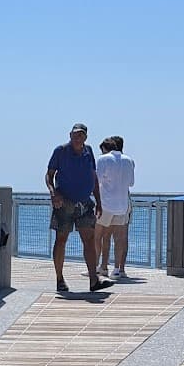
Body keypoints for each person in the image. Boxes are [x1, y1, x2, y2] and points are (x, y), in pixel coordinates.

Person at [46, 122, 108, 294]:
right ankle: (59, 279)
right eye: (74, 134)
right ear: (70, 135)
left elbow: (93, 177)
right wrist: (53, 193)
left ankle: (93, 280)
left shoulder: (88, 152)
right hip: (64, 203)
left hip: (85, 203)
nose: (77, 137)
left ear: (85, 137)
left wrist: (99, 202)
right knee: (61, 239)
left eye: (80, 135)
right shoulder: (61, 151)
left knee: (89, 240)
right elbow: (49, 175)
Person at [95, 136, 137, 278]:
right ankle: (117, 269)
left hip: (105, 204)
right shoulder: (129, 160)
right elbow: (131, 183)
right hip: (122, 204)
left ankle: (99, 267)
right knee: (120, 238)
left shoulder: (103, 159)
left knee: (99, 236)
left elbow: (97, 179)